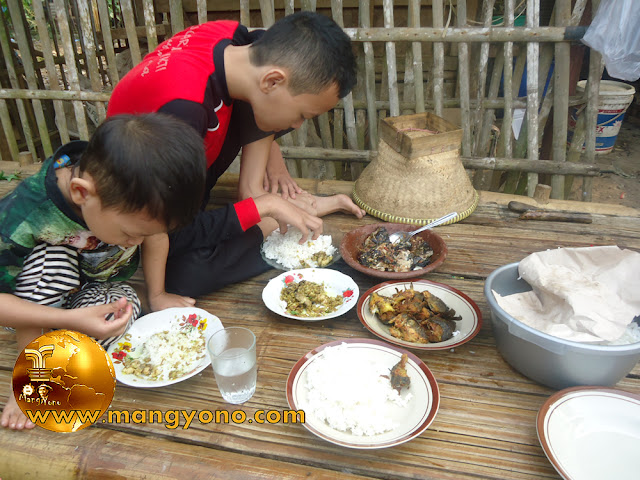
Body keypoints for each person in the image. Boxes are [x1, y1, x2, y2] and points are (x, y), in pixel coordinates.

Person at [107, 11, 366, 296]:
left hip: (179, 170)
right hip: (147, 201)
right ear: (272, 81)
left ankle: (266, 201)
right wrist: (265, 207)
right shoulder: (184, 112)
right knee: (185, 276)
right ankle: (273, 218)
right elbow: (162, 228)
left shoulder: (234, 39)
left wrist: (272, 159)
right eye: (302, 115)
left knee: (253, 100)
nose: (296, 125)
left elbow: (260, 46)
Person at [0, 113, 208, 430]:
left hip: (92, 288)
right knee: (49, 255)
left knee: (124, 311)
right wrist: (67, 320)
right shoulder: (28, 214)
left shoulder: (124, 193)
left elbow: (155, 233)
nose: (137, 241)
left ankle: (69, 340)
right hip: (27, 302)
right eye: (129, 233)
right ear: (82, 193)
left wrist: (158, 295)